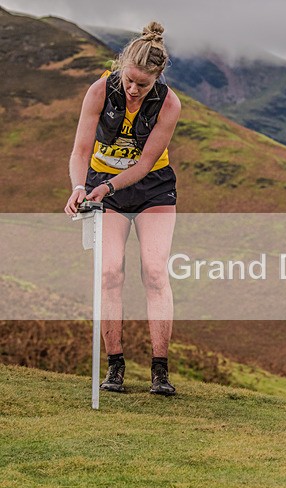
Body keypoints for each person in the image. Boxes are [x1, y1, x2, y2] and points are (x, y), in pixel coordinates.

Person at [64, 22, 181, 396]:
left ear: (157, 78)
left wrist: (106, 186)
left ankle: (159, 371)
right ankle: (115, 367)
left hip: (152, 188)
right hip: (102, 187)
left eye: (142, 85)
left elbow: (145, 164)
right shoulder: (100, 90)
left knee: (154, 272)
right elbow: (81, 149)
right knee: (110, 272)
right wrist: (80, 188)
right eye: (129, 80)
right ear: (122, 67)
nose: (133, 89)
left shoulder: (170, 103)